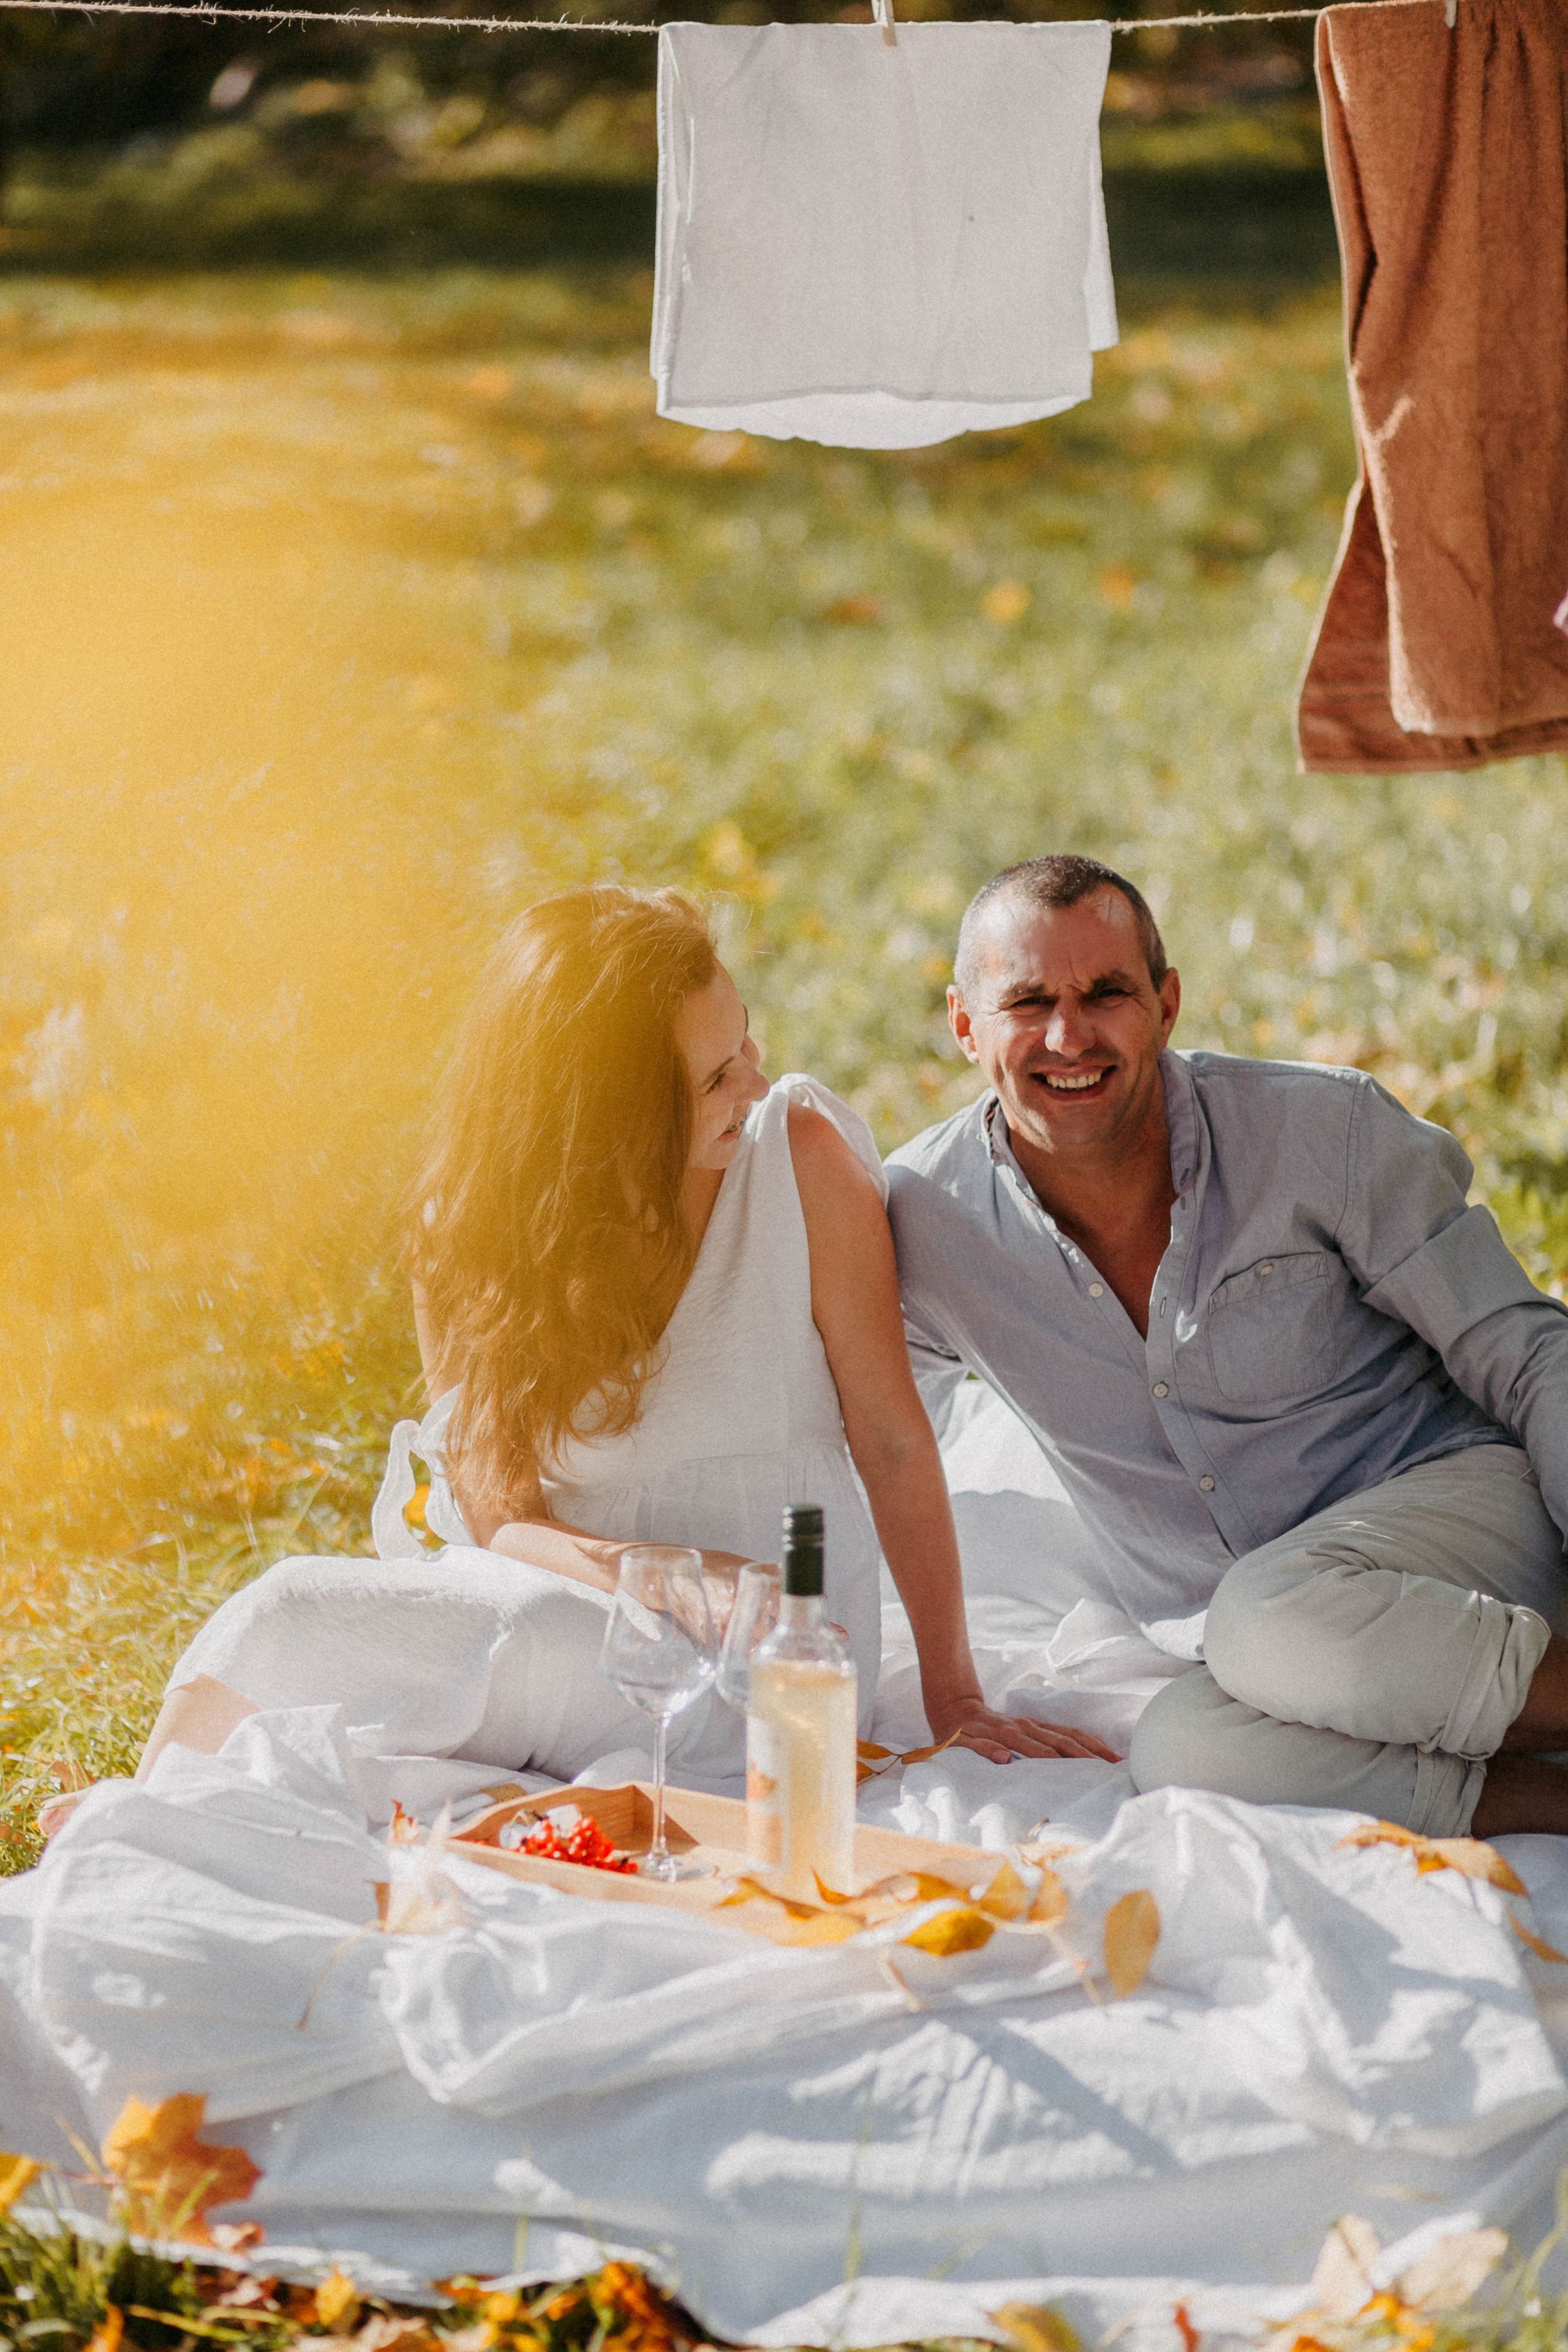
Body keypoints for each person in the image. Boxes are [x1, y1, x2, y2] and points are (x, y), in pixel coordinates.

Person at [135, 885, 1107, 1794]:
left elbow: (893, 1440)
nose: (754, 1081)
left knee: (371, 1628)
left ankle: (182, 1800)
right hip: (578, 1617)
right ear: (603, 1122)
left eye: (746, 1043)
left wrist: (956, 1696)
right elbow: (496, 1511)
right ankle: (160, 1798)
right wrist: (667, 1579)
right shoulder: (466, 1228)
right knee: (317, 1608)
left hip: (776, 1654)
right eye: (716, 1074)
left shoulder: (796, 1162)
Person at [885, 853, 1568, 1841]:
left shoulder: (1320, 1130)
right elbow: (862, 1425)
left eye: (1106, 993)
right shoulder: (925, 1222)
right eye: (1027, 1001)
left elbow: (1524, 1345)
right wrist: (951, 1693)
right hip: (1267, 1643)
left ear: (1165, 1004)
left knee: (1265, 1617)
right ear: (962, 1024)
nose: (1067, 1035)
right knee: (1183, 1754)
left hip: (1462, 1520)